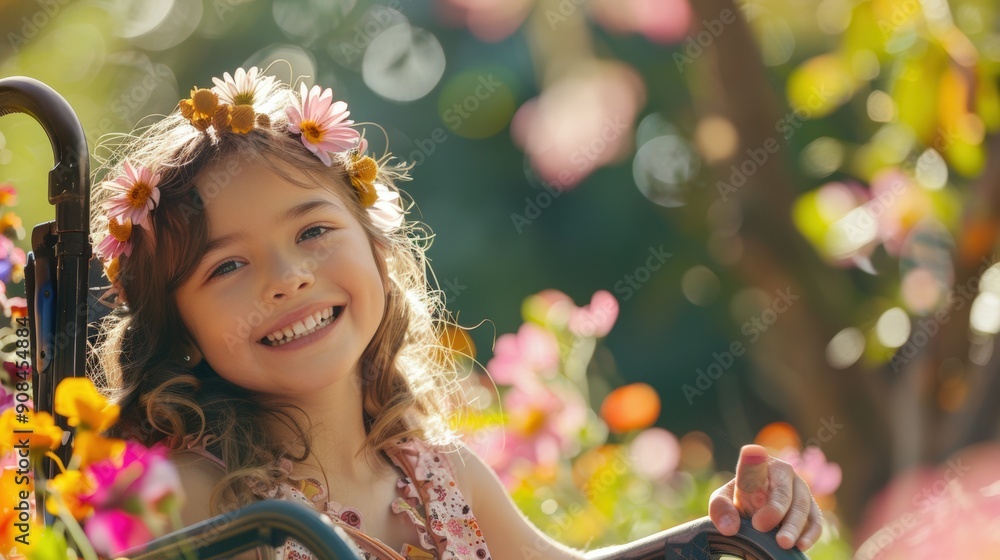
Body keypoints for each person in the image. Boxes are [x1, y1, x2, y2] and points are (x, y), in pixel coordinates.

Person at [88, 67, 823, 560]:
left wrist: (730, 524)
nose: (288, 279)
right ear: (179, 328)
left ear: (377, 252)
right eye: (226, 266)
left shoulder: (447, 480)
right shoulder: (187, 497)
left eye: (312, 231)